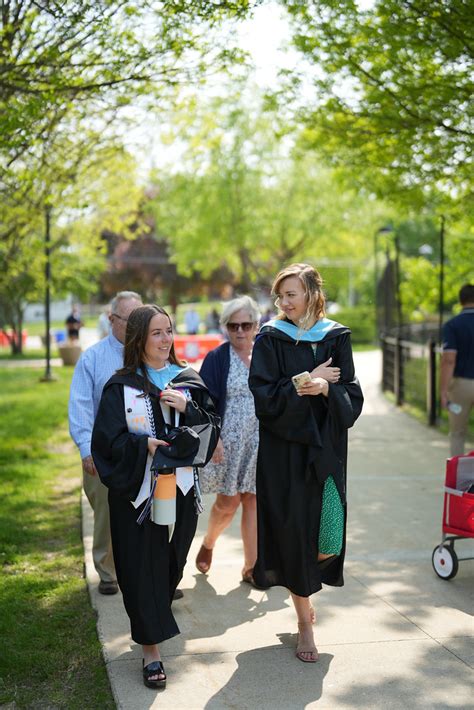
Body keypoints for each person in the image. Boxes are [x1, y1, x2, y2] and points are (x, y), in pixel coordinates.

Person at [91, 304, 220, 689]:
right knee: (138, 564)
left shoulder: (187, 381)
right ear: (139, 340)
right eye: (157, 333)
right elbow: (106, 442)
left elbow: (211, 428)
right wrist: (143, 444)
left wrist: (189, 408)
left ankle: (154, 614)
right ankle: (151, 649)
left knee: (172, 558)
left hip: (180, 488)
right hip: (137, 491)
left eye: (169, 331)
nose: (166, 340)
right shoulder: (122, 385)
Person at [248, 263, 363, 663]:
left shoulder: (336, 336)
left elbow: (352, 393)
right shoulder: (270, 338)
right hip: (285, 452)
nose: (283, 302)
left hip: (327, 449)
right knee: (295, 532)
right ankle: (304, 624)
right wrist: (305, 380)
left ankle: (305, 595)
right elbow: (263, 396)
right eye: (280, 295)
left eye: (291, 294)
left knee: (328, 536)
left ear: (312, 294)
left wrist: (327, 386)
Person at [69, 291, 143, 595]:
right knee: (107, 514)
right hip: (105, 451)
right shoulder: (93, 358)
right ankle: (108, 571)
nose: (137, 326)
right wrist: (87, 450)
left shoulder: (150, 351)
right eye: (130, 320)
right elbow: (80, 407)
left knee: (150, 512)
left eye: (141, 319)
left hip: (144, 448)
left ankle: (151, 570)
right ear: (112, 319)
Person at [196, 296, 267, 585]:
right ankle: (209, 542)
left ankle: (252, 567)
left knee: (252, 500)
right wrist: (214, 439)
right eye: (233, 325)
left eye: (246, 325)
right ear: (225, 327)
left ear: (256, 325)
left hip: (259, 441)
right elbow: (203, 401)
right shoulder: (217, 358)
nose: (239, 331)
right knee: (228, 503)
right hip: (226, 443)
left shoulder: (266, 356)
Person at [440, 283, 474, 456]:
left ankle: (459, 480)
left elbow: (449, 360)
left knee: (458, 434)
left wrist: (444, 390)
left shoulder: (452, 325)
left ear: (461, 301)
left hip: (461, 385)